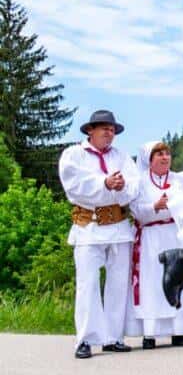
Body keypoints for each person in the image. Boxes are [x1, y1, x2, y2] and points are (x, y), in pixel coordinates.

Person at [59, 109, 140, 359]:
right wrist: (104, 183)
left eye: (112, 129)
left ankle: (113, 337)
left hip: (118, 226)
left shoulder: (122, 157)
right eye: (104, 128)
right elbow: (74, 185)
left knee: (118, 284)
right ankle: (85, 338)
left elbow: (134, 185)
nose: (109, 132)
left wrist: (122, 186)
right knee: (88, 284)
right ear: (90, 130)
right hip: (89, 227)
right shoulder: (74, 155)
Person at [127, 141, 183, 349]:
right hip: (151, 238)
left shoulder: (179, 180)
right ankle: (150, 333)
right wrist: (155, 206)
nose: (164, 157)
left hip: (176, 235)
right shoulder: (140, 182)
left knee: (180, 280)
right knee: (152, 284)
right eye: (159, 154)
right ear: (149, 160)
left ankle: (180, 331)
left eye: (167, 153)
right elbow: (135, 211)